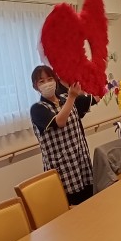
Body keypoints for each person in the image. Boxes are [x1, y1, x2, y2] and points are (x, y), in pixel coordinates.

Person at [30, 65, 95, 205]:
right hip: (63, 169)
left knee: (90, 202)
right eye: (41, 81)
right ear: (35, 86)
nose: (47, 83)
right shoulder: (38, 109)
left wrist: (97, 73)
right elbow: (59, 122)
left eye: (50, 79)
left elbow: (94, 97)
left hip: (81, 162)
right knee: (72, 207)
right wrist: (72, 97)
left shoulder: (65, 98)